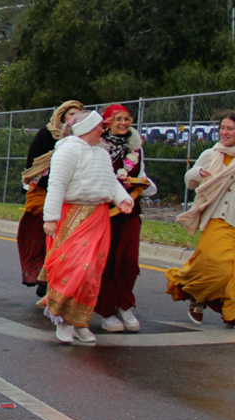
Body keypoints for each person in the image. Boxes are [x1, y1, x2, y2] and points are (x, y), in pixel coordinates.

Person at [41, 110, 134, 344]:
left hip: (98, 216)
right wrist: (50, 218)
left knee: (92, 271)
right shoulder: (68, 150)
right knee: (74, 268)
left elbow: (110, 181)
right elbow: (57, 184)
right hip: (73, 215)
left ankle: (79, 321)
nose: (104, 130)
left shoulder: (102, 154)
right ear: (88, 129)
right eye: (100, 126)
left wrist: (122, 199)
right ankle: (62, 318)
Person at [167, 111, 235, 325]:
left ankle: (231, 312)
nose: (224, 132)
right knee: (218, 266)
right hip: (218, 218)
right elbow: (190, 179)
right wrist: (198, 174)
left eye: (230, 128)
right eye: (222, 128)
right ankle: (195, 293)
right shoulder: (211, 153)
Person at [95, 104, 157, 333]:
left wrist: (139, 184)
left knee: (129, 261)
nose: (123, 123)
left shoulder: (136, 148)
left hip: (130, 211)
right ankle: (107, 310)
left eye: (126, 119)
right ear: (107, 122)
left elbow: (146, 181)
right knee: (107, 260)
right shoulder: (98, 147)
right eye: (117, 119)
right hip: (104, 212)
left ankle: (124, 304)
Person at [18, 101, 83, 296]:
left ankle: (63, 282)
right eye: (71, 114)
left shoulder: (85, 139)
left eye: (79, 115)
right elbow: (33, 165)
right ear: (62, 116)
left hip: (72, 196)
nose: (74, 118)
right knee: (46, 238)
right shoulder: (46, 135)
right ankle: (44, 279)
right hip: (46, 193)